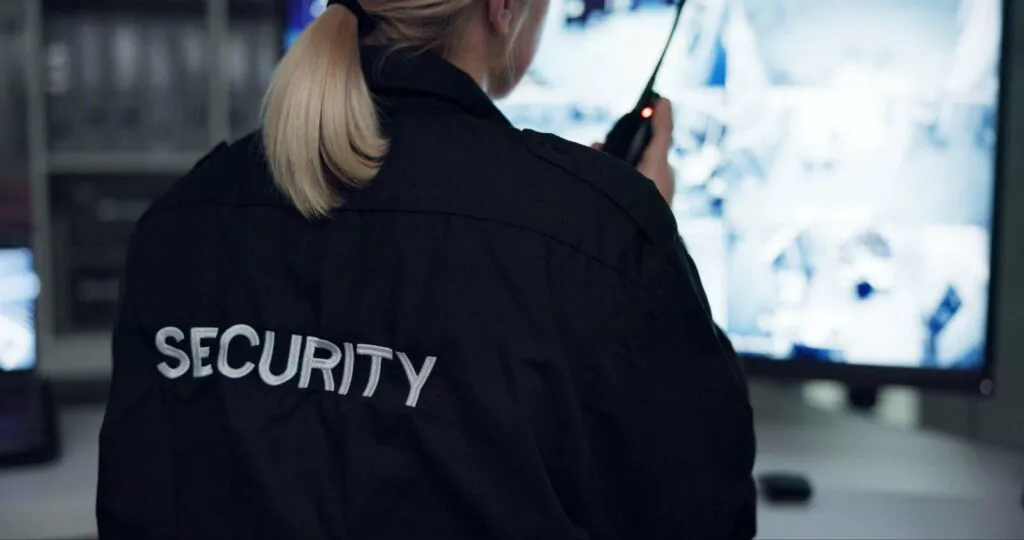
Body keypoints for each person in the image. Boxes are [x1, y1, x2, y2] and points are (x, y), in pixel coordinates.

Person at [96, 0, 756, 537]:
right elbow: (706, 514)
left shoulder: (179, 223)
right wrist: (634, 238)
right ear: (503, 7)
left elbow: (135, 505)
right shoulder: (601, 236)